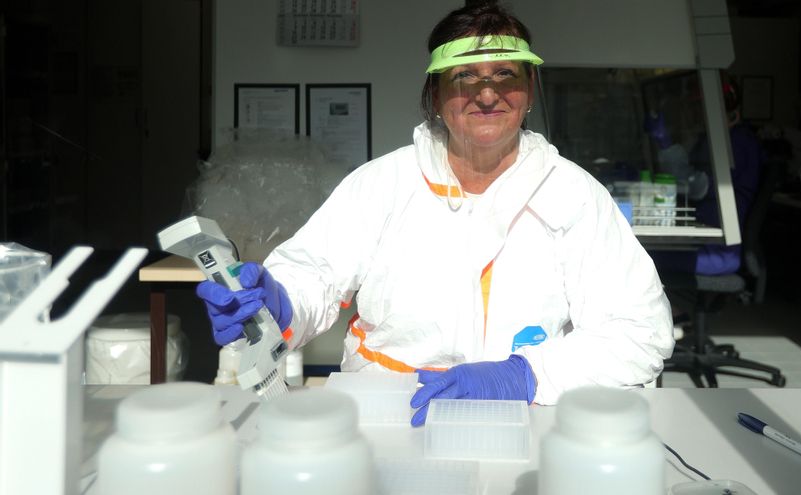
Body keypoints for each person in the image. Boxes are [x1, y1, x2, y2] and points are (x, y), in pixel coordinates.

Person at [196, 0, 674, 427]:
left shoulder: (573, 194)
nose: (488, 95)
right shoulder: (384, 183)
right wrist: (277, 303)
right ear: (435, 94)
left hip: (530, 420)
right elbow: (314, 274)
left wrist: (526, 377)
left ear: (530, 89)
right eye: (465, 77)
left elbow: (639, 332)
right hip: (388, 416)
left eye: (506, 74)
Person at [647, 77, 764, 275]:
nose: (696, 113)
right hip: (702, 239)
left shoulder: (739, 142)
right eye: (695, 106)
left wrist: (666, 145)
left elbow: (697, 187)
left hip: (720, 252)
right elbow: (688, 173)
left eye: (700, 106)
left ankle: (670, 307)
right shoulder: (713, 139)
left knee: (642, 258)